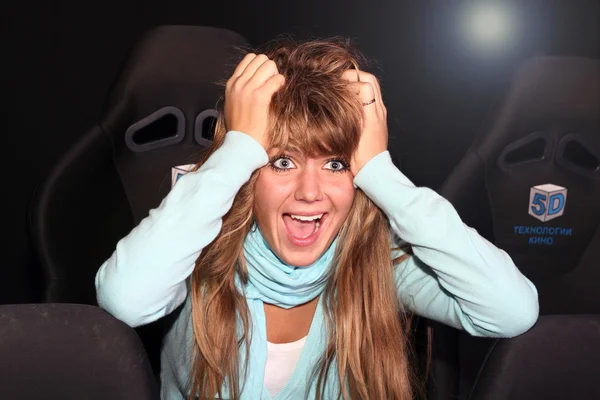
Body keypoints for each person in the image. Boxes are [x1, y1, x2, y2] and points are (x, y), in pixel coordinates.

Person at [95, 37, 539, 400]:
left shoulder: (374, 261)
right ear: (250, 173)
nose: (310, 193)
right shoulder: (199, 252)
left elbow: (512, 310)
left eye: (336, 165)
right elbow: (126, 297)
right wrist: (238, 150)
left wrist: (381, 173)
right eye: (282, 162)